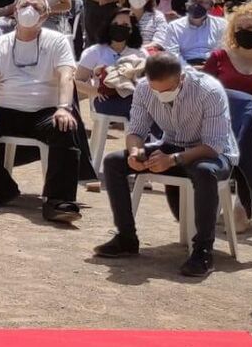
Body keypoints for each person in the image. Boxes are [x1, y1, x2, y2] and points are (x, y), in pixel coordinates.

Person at [93, 53, 238, 278]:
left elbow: (213, 146)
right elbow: (136, 131)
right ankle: (126, 238)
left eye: (167, 90)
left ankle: (203, 250)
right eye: (156, 90)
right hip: (171, 144)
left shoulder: (208, 90)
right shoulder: (143, 89)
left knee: (204, 171)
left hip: (211, 153)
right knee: (114, 162)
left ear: (181, 78)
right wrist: (135, 152)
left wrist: (173, 160)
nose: (161, 95)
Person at [0, 0, 84, 223]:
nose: (29, 10)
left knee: (65, 127)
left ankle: (58, 200)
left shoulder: (57, 41)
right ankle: (1, 188)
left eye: (37, 7)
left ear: (45, 14)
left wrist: (63, 107)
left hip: (45, 111)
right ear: (16, 10)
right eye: (25, 5)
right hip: (6, 109)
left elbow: (66, 75)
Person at [75, 9, 147, 121]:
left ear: (132, 30)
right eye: (115, 24)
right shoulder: (95, 51)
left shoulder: (140, 53)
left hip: (135, 97)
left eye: (125, 25)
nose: (119, 27)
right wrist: (95, 91)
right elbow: (76, 81)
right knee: (141, 110)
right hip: (105, 99)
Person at [160, 0, 225, 65]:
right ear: (186, 5)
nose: (196, 5)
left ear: (211, 7)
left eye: (202, 2)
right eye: (193, 1)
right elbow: (172, 54)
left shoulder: (221, 25)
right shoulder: (174, 26)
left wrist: (210, 67)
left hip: (213, 66)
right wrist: (189, 69)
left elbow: (225, 52)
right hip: (184, 68)